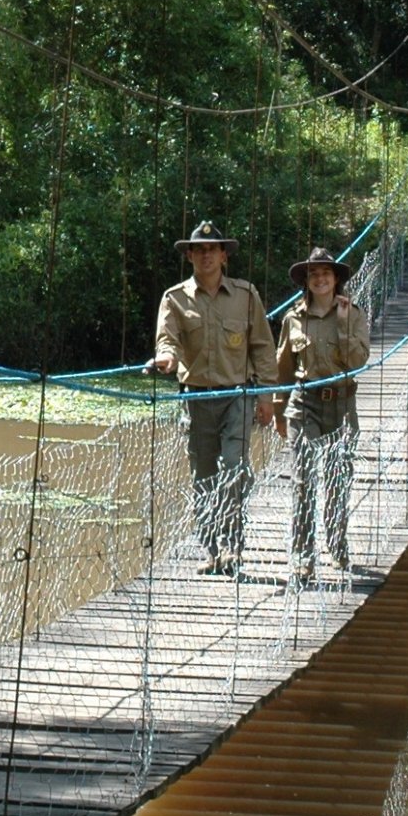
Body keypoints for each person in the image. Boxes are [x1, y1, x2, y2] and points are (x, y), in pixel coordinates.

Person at [145, 222, 279, 575]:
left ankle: (234, 547)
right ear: (189, 255)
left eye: (212, 249)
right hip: (196, 399)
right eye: (199, 249)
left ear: (224, 256)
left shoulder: (246, 295)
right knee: (203, 476)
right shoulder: (174, 298)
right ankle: (211, 549)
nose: (206, 255)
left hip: (238, 395)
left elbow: (263, 347)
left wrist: (267, 395)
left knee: (235, 468)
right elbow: (168, 341)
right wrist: (166, 359)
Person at [276, 246, 370, 583]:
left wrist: (343, 326)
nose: (319, 278)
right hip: (304, 404)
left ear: (336, 280)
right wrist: (277, 412)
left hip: (342, 406)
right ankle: (303, 556)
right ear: (306, 280)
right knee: (304, 481)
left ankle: (337, 544)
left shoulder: (354, 314)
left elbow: (358, 361)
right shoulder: (292, 319)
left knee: (338, 479)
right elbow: (283, 369)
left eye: (325, 273)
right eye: (313, 274)